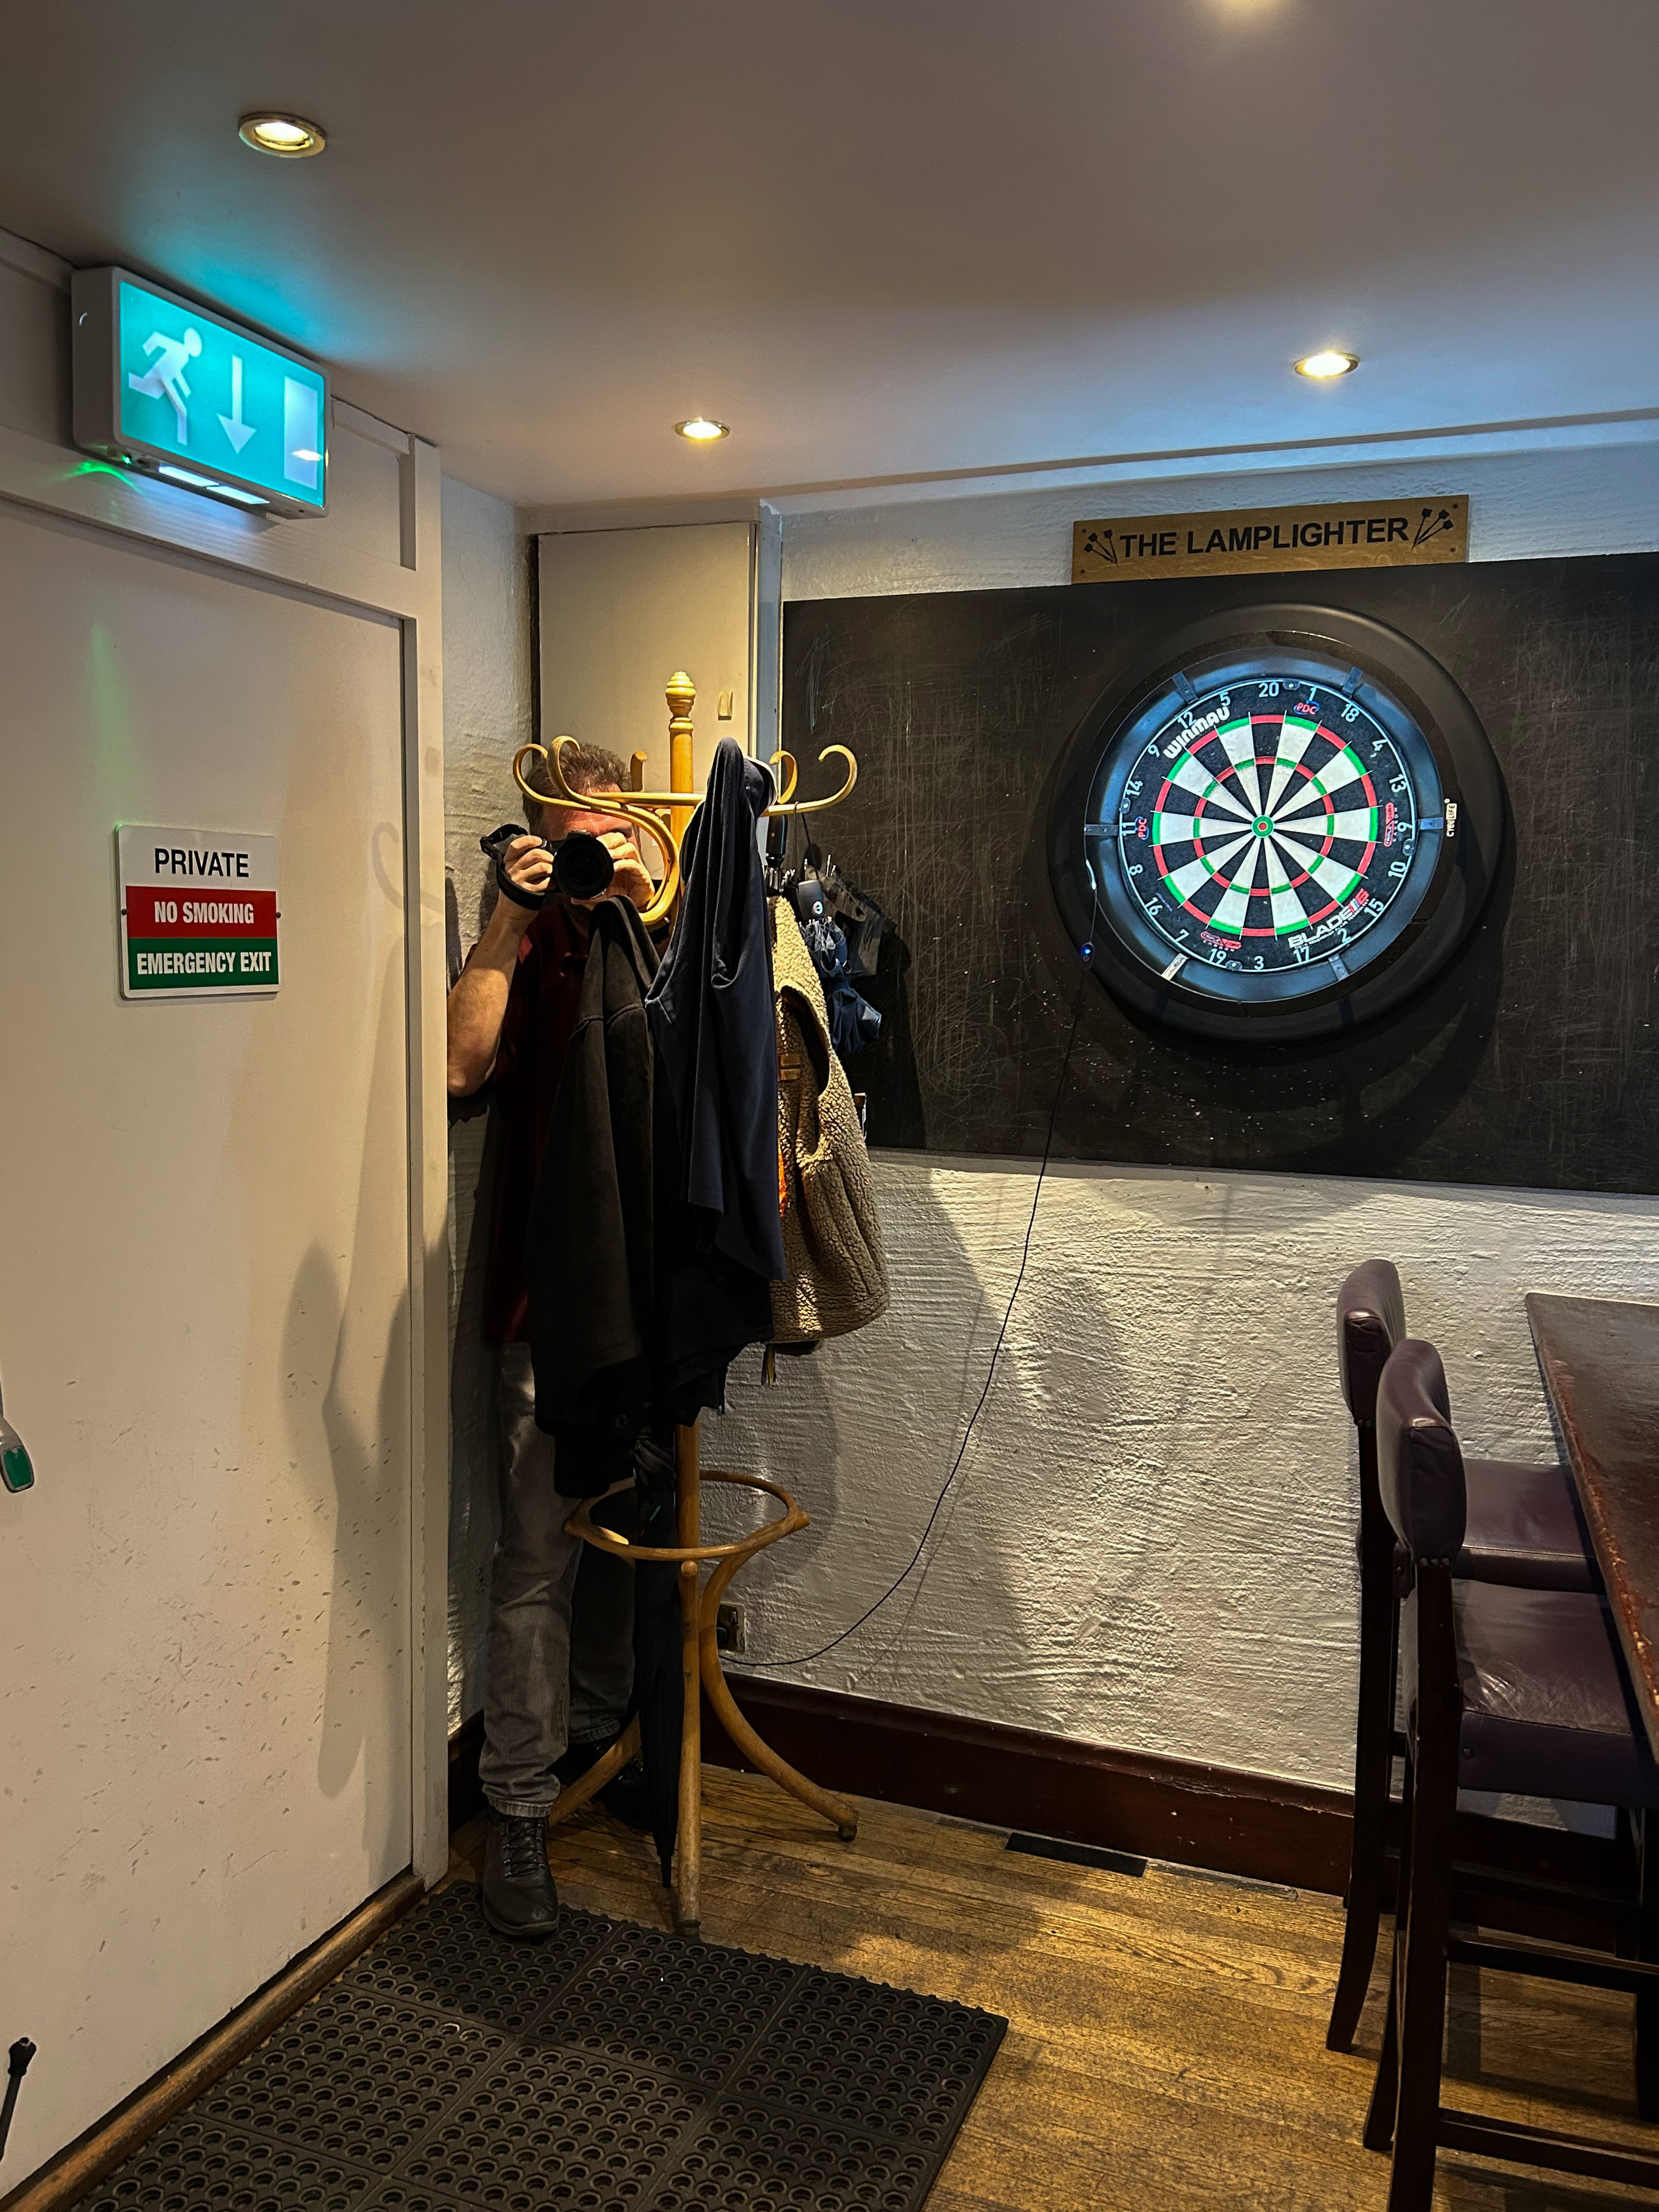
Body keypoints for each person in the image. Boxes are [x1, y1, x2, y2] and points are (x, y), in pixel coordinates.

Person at [446, 744, 657, 1938]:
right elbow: (459, 1064)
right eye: (574, 843)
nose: (594, 861)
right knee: (536, 1559)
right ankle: (518, 1804)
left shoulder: (674, 932)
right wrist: (509, 919)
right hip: (545, 1305)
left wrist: (652, 899)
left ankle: (601, 1735)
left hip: (655, 1308)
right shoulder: (527, 941)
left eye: (612, 837)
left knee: (628, 1542)